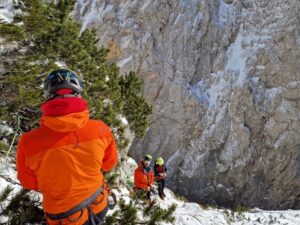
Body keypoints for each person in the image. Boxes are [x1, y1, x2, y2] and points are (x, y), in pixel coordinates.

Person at [16, 69, 118, 225]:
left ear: (48, 96)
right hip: (99, 203)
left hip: (65, 218)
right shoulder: (100, 129)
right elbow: (109, 163)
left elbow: (29, 183)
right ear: (79, 94)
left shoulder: (28, 142)